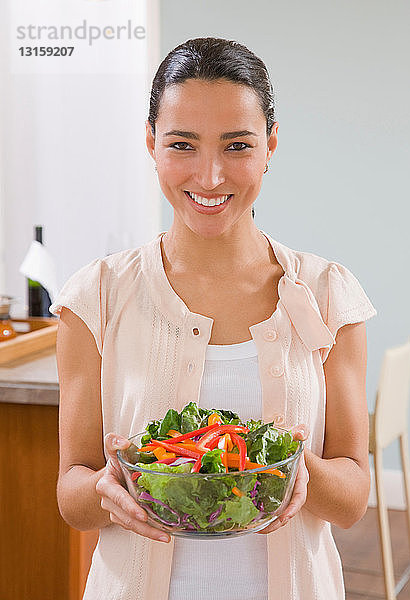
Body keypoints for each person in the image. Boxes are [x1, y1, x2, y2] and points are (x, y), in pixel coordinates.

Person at [50, 37, 377, 600]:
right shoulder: (95, 297)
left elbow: (350, 498)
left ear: (270, 146)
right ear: (151, 144)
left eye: (236, 146)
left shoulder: (328, 294)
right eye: (182, 145)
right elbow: (71, 496)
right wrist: (109, 486)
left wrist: (299, 475)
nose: (209, 176)